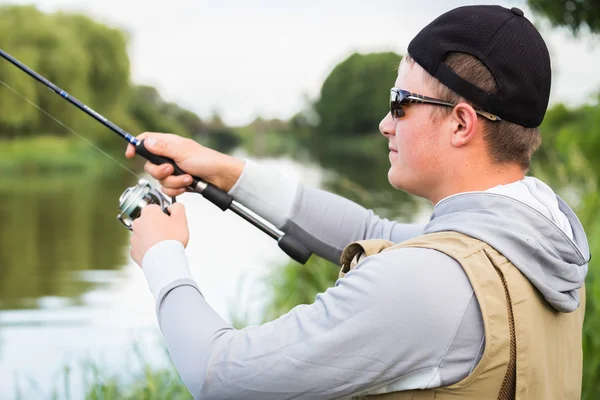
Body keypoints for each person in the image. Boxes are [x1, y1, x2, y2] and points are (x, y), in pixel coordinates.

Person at [125, 5, 589, 400]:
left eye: (400, 102)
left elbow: (219, 374)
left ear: (462, 124)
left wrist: (162, 254)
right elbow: (376, 232)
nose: (386, 124)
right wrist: (222, 170)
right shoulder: (538, 243)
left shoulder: (430, 283)